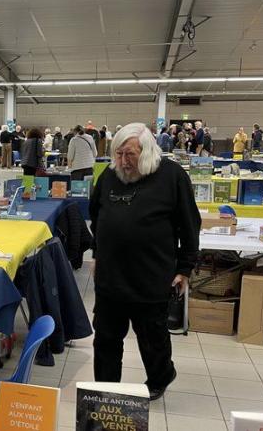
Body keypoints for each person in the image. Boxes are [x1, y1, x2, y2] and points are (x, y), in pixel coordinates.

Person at [89, 123, 201, 401]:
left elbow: (190, 224)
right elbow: (96, 215)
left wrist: (185, 268)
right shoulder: (109, 177)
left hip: (152, 276)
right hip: (110, 277)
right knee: (105, 340)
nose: (124, 162)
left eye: (130, 155)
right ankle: (106, 390)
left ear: (148, 152)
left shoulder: (171, 175)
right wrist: (96, 254)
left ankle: (161, 376)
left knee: (152, 340)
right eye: (118, 155)